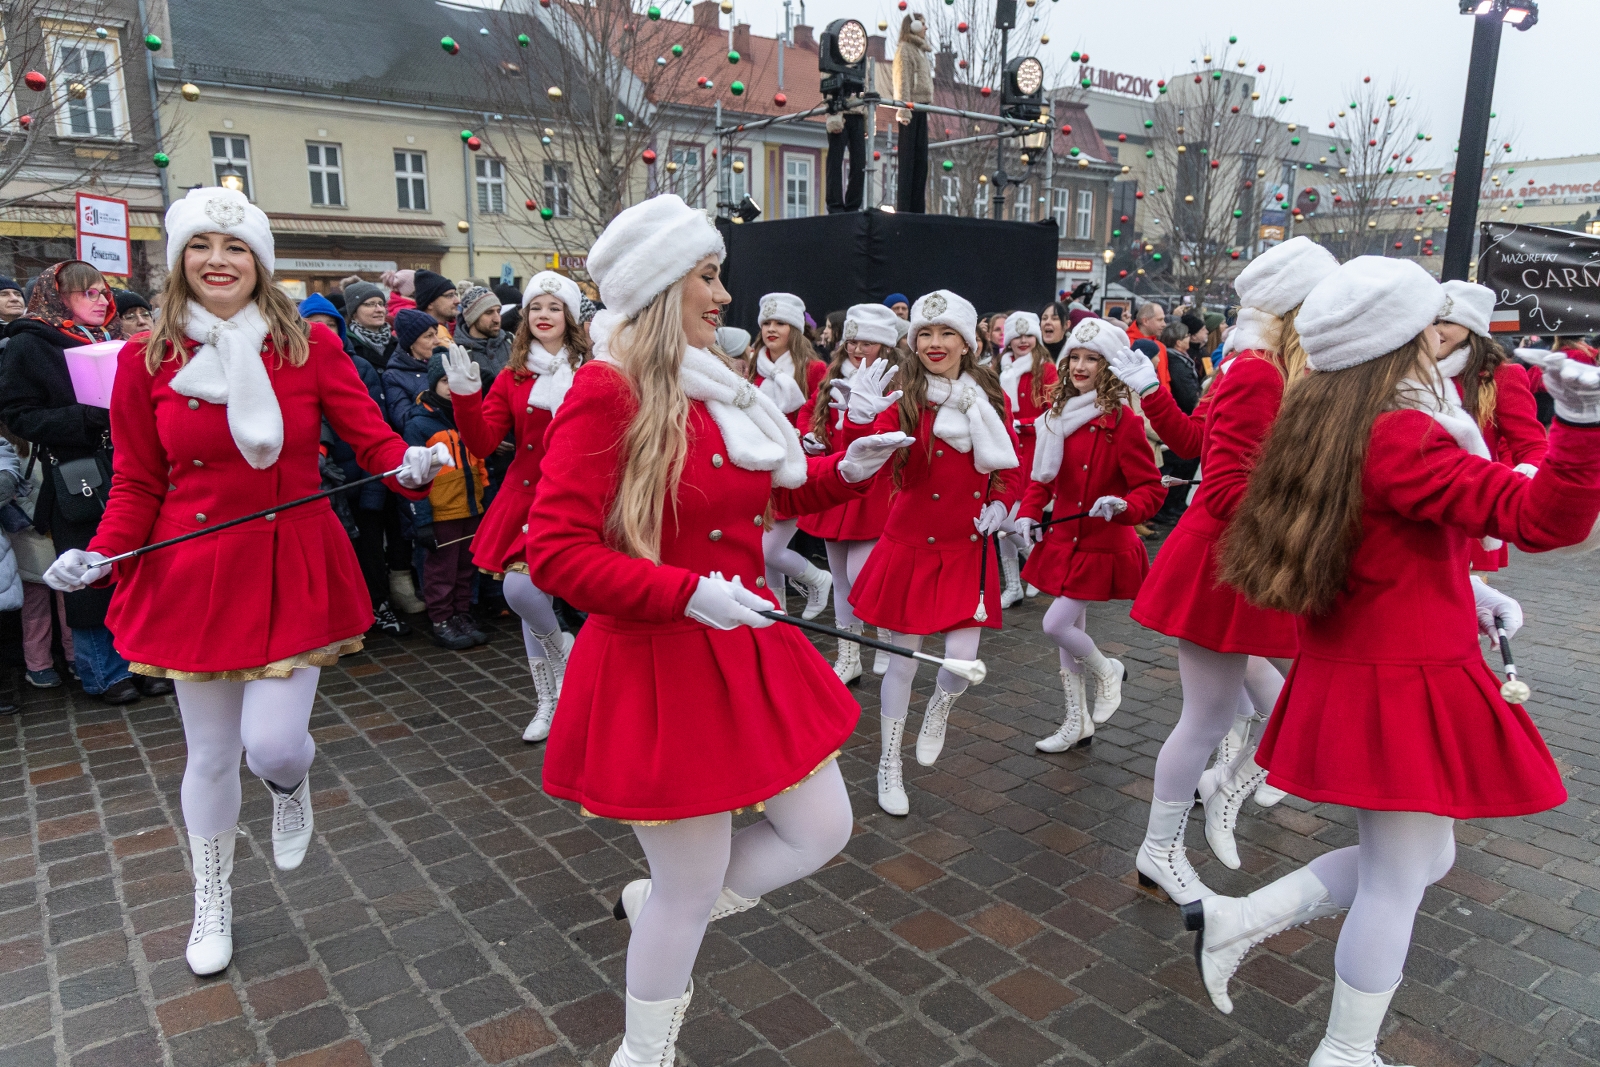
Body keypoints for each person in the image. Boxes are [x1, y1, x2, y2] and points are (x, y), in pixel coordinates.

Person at [523, 194, 908, 1067]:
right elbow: (555, 552)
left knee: (822, 828)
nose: (725, 295)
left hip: (743, 643)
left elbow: (761, 495)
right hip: (658, 656)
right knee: (689, 889)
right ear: (663, 288)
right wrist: (683, 592)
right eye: (708, 275)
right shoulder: (606, 391)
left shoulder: (710, 383)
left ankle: (663, 900)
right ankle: (644, 1050)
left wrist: (843, 470)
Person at [1189, 257, 1600, 1067]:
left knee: (1424, 861)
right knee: (1396, 882)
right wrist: (1581, 436)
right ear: (1403, 341)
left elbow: (1377, 540)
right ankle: (1345, 1051)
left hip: (1375, 661)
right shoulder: (1402, 429)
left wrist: (1459, 588)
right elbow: (1538, 518)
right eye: (1427, 330)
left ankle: (1239, 921)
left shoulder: (1325, 412)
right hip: (1403, 677)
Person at [41, 186, 450, 978]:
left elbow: (373, 445)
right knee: (211, 754)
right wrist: (101, 552)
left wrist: (412, 463)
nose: (218, 261)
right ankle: (213, 897)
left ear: (258, 263)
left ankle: (291, 781)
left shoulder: (312, 348)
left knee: (272, 744)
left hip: (291, 560)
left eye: (234, 249)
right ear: (180, 262)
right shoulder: (146, 360)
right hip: (192, 569)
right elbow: (137, 480)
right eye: (201, 247)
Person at [1114, 236, 1338, 900]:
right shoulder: (1262, 372)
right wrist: (1309, 515)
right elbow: (1224, 487)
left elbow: (1188, 444)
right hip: (1225, 565)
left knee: (1266, 700)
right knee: (1207, 720)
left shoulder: (1259, 367)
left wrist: (1150, 394)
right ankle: (1161, 847)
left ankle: (1225, 785)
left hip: (1238, 559)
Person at [845, 290, 1021, 816]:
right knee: (901, 665)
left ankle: (940, 708)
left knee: (961, 663)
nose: (935, 343)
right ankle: (889, 763)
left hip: (967, 545)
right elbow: (865, 458)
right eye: (925, 333)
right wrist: (859, 420)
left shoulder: (990, 396)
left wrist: (1001, 503)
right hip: (911, 545)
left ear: (967, 342)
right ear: (912, 340)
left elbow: (1008, 467)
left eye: (946, 333)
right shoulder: (904, 392)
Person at [450, 270, 588, 741]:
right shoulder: (514, 376)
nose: (544, 315)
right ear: (524, 317)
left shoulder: (593, 370)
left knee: (542, 599)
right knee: (522, 593)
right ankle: (551, 691)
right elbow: (485, 443)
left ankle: (561, 695)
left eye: (553, 306)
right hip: (525, 497)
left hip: (581, 496)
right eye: (535, 307)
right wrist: (467, 400)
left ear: (569, 315)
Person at [0, 261, 146, 704]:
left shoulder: (114, 338)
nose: (103, 300)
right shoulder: (29, 343)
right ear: (58, 297)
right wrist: (86, 418)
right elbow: (18, 415)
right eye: (89, 293)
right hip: (75, 472)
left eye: (104, 292)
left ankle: (143, 663)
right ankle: (104, 673)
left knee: (134, 567)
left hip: (128, 463)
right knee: (88, 572)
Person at [1017, 316, 1163, 750]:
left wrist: (1123, 506)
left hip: (1102, 545)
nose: (1080, 366)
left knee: (1056, 624)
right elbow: (1040, 480)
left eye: (1092, 359)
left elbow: (1150, 490)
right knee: (1068, 635)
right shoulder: (1055, 417)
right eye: (1074, 357)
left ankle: (1108, 670)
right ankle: (1076, 721)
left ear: (1110, 367)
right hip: (1064, 542)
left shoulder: (1124, 423)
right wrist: (1027, 513)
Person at [798, 303, 901, 683]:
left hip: (874, 489)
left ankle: (886, 635)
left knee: (862, 576)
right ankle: (849, 654)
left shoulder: (894, 384)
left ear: (886, 348)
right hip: (834, 485)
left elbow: (888, 436)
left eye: (868, 343)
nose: (858, 348)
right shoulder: (832, 377)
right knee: (840, 577)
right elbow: (810, 413)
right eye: (853, 340)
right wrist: (810, 438)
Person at [1433, 280, 1548, 573]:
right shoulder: (1415, 371)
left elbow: (1532, 445)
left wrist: (1516, 486)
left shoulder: (1502, 376)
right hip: (1422, 504)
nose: (1436, 329)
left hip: (1470, 507)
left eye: (1446, 321)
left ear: (1470, 325)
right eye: (1432, 320)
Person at [751, 293, 833, 615]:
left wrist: (809, 437)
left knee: (768, 550)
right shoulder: (755, 367)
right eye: (767, 322)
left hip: (799, 466)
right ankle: (778, 616)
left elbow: (822, 414)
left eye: (780, 323)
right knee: (762, 551)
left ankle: (817, 578)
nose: (771, 329)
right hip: (761, 465)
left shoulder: (814, 369)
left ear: (795, 329)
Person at [404, 354, 490, 649]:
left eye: (454, 381)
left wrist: (484, 501)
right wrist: (423, 519)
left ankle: (461, 614)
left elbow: (479, 463)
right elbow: (414, 478)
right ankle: (441, 618)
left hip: (470, 507)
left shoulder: (466, 417)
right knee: (441, 571)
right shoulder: (420, 425)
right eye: (444, 381)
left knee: (466, 568)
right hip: (442, 513)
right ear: (433, 384)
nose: (450, 387)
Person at [995, 311, 1057, 607]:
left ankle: (1037, 570)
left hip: (1034, 449)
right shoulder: (1001, 367)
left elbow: (1055, 410)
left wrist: (1026, 424)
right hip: (1007, 449)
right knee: (1003, 521)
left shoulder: (1045, 369)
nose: (1022, 341)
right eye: (1016, 336)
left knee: (1022, 518)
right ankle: (1014, 584)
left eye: (1028, 334)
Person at [382, 309, 447, 431]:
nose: (437, 341)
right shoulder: (393, 376)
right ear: (411, 343)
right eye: (428, 336)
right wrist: (434, 401)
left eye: (436, 334)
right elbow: (404, 420)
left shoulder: (445, 361)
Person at [893, 14, 932, 213]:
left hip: (922, 107)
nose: (926, 28)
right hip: (911, 110)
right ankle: (905, 209)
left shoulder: (919, 51)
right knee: (908, 163)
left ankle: (917, 210)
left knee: (920, 162)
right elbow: (903, 81)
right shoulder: (906, 50)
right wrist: (904, 111)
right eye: (923, 24)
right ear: (914, 26)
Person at [453, 284, 511, 385]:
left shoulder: (511, 341)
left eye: (498, 311)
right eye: (489, 312)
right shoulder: (458, 353)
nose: (497, 319)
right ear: (472, 317)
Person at [343, 281, 392, 370]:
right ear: (354, 313)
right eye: (370, 304)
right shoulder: (346, 345)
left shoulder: (397, 344)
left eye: (381, 304)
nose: (379, 309)